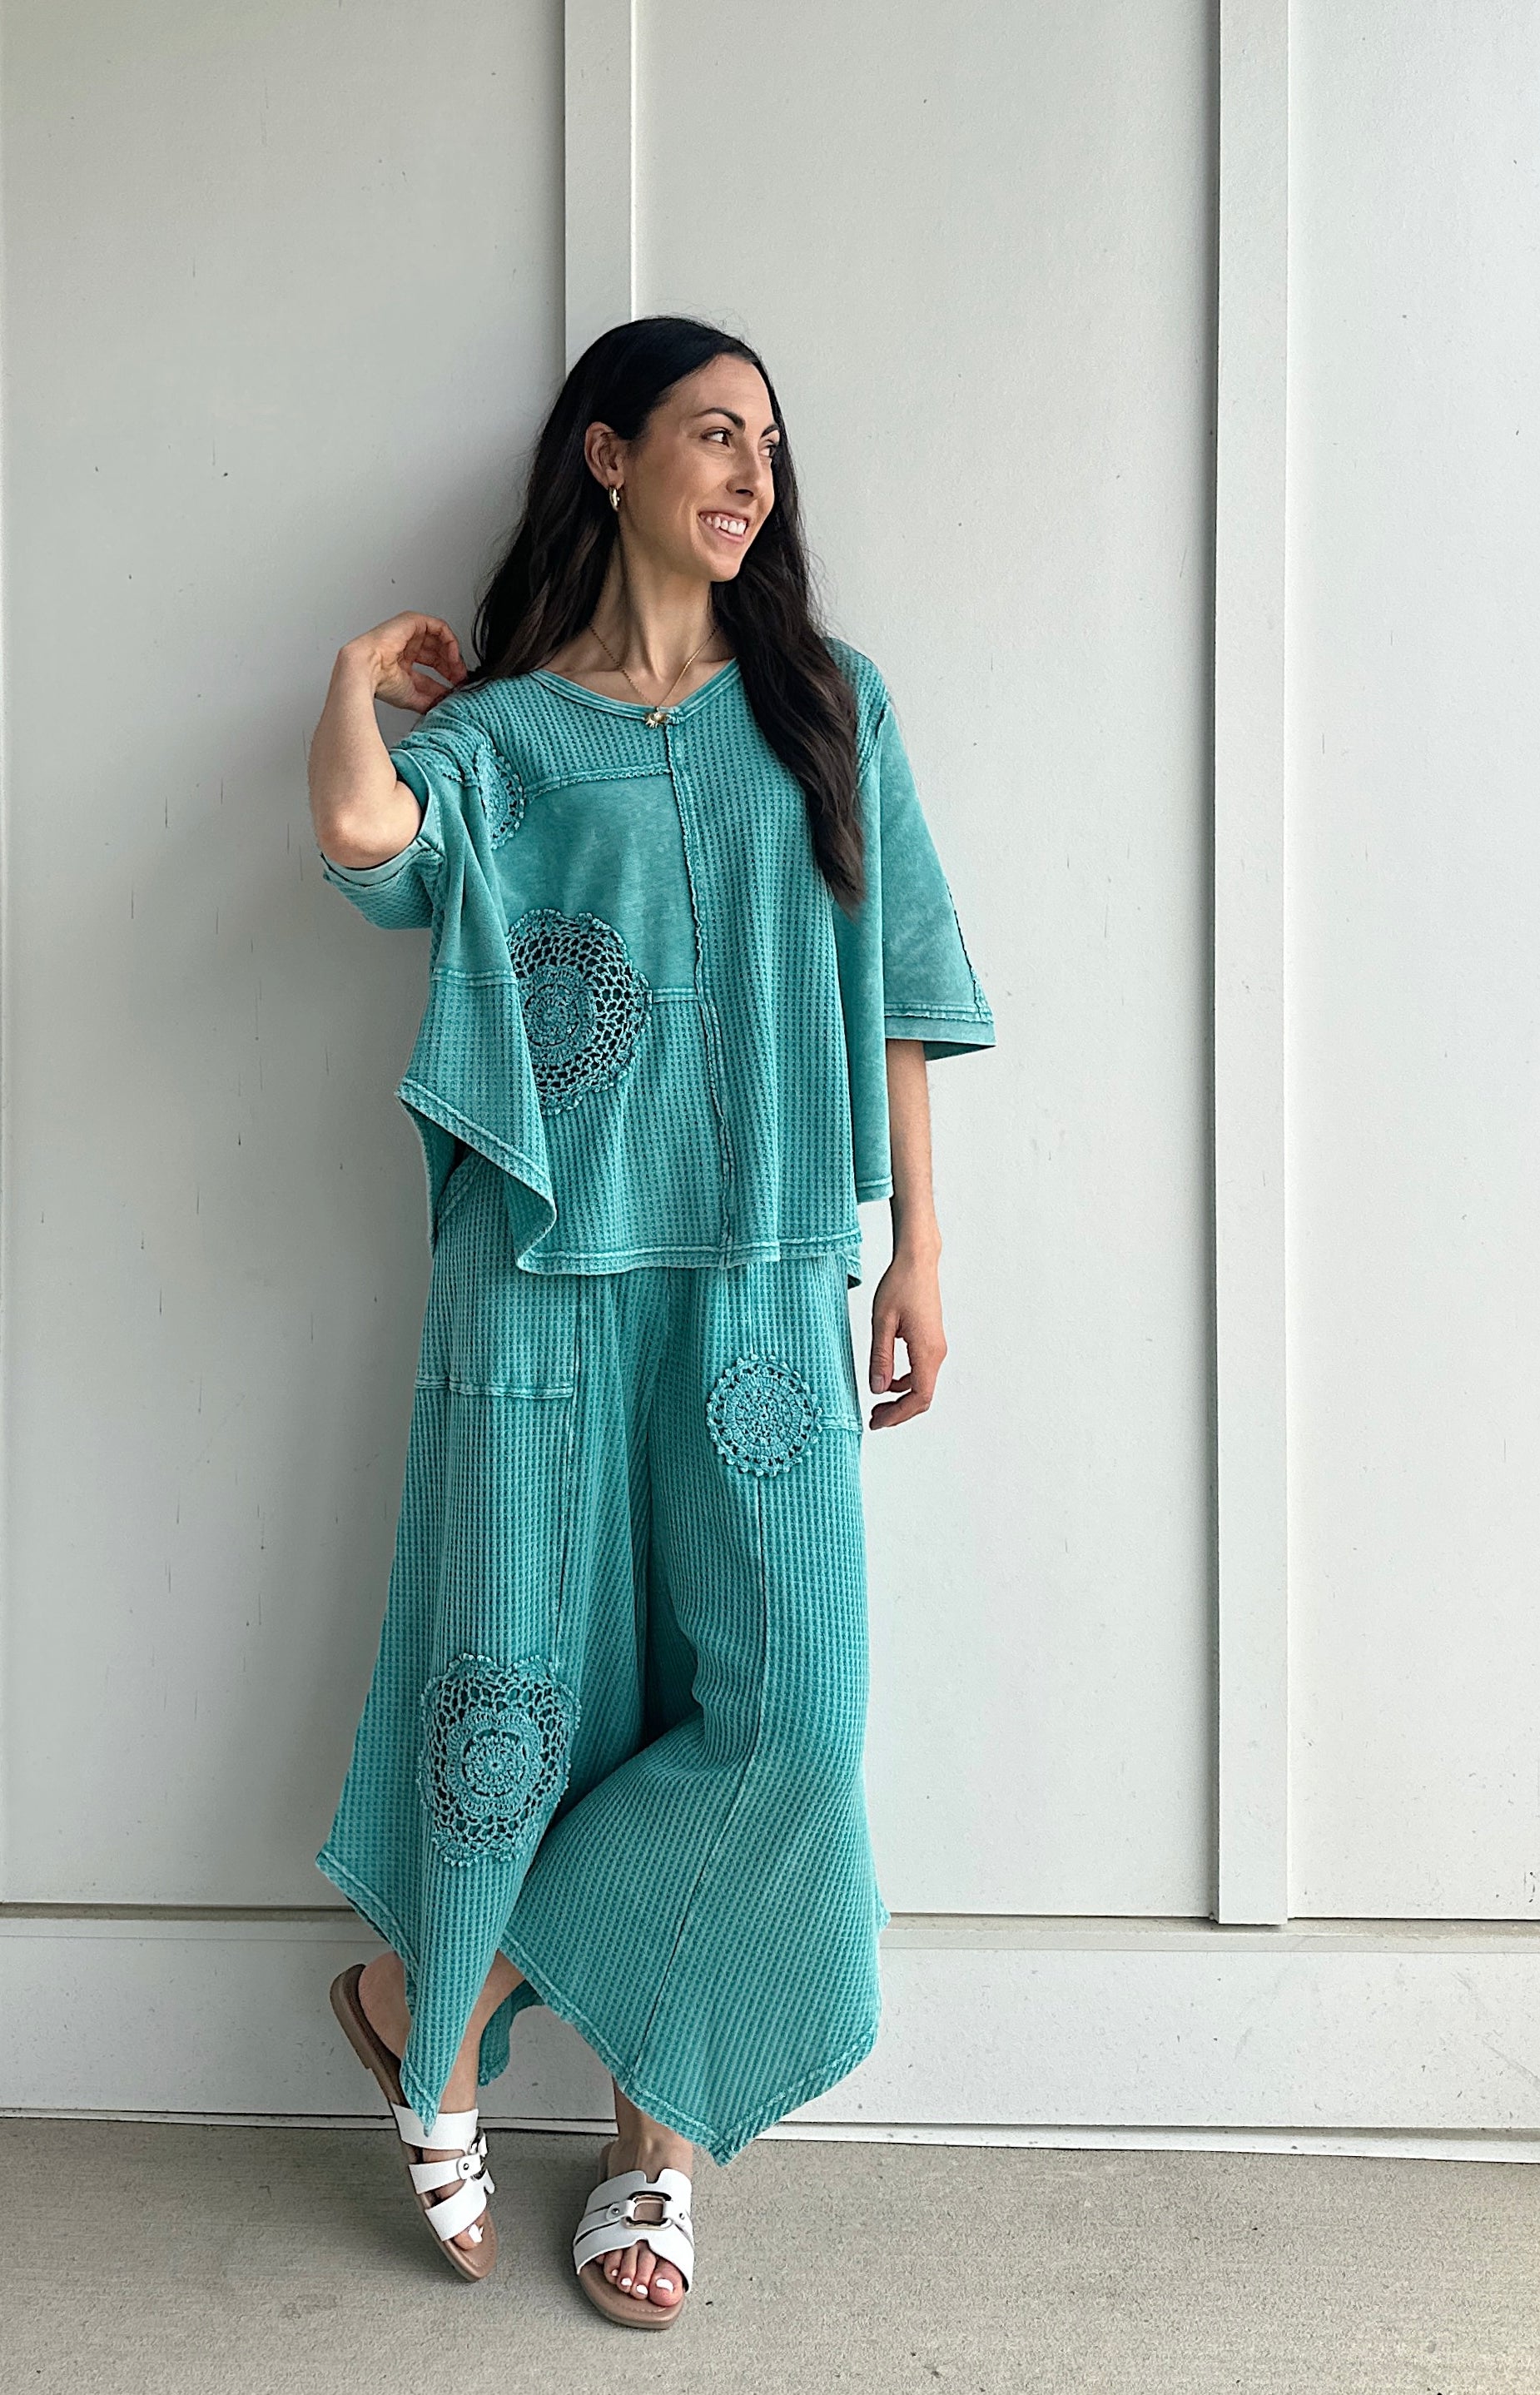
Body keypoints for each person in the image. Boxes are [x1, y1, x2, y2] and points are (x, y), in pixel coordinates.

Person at [306, 315, 995, 2324]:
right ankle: (638, 2157)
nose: (752, 474)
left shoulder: (830, 709)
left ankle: (445, 1999)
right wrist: (356, 685)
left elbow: (903, 990)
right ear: (604, 456)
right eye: (711, 434)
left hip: (773, 1269)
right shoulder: (509, 735)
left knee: (783, 1716)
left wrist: (919, 1247)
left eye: (770, 445)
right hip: (538, 1271)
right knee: (530, 1688)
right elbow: (364, 846)